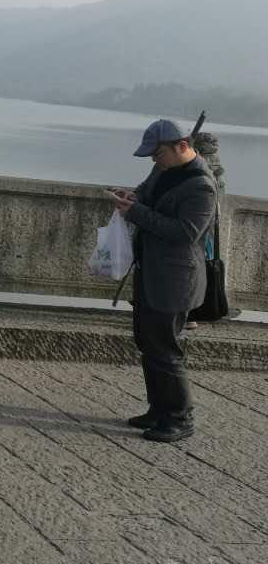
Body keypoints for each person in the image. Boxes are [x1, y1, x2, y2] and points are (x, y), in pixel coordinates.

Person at [109, 119, 216, 443]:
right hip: (151, 270)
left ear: (182, 146)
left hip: (175, 279)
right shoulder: (163, 169)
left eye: (158, 154)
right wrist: (133, 197)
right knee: (148, 343)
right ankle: (158, 409)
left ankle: (180, 417)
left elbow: (185, 233)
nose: (154, 160)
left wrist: (135, 213)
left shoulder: (201, 186)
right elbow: (146, 191)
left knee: (166, 349)